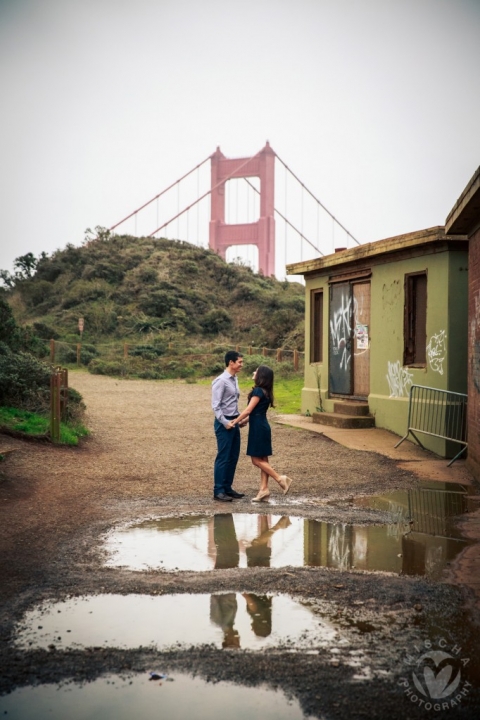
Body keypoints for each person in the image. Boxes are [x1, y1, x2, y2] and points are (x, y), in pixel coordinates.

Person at [230, 365, 293, 502]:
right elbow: (255, 413)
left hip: (258, 428)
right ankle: (264, 490)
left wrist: (234, 422)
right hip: (262, 426)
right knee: (263, 459)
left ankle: (280, 479)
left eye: (256, 371)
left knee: (256, 460)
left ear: (261, 376)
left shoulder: (258, 391)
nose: (254, 372)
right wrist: (244, 421)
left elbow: (248, 410)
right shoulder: (266, 391)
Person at [211, 350, 246, 502]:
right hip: (224, 423)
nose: (241, 365)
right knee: (223, 457)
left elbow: (232, 402)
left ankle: (227, 488)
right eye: (239, 362)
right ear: (231, 363)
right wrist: (225, 422)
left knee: (233, 456)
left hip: (234, 421)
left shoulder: (234, 379)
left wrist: (239, 419)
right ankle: (218, 490)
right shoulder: (221, 381)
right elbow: (216, 406)